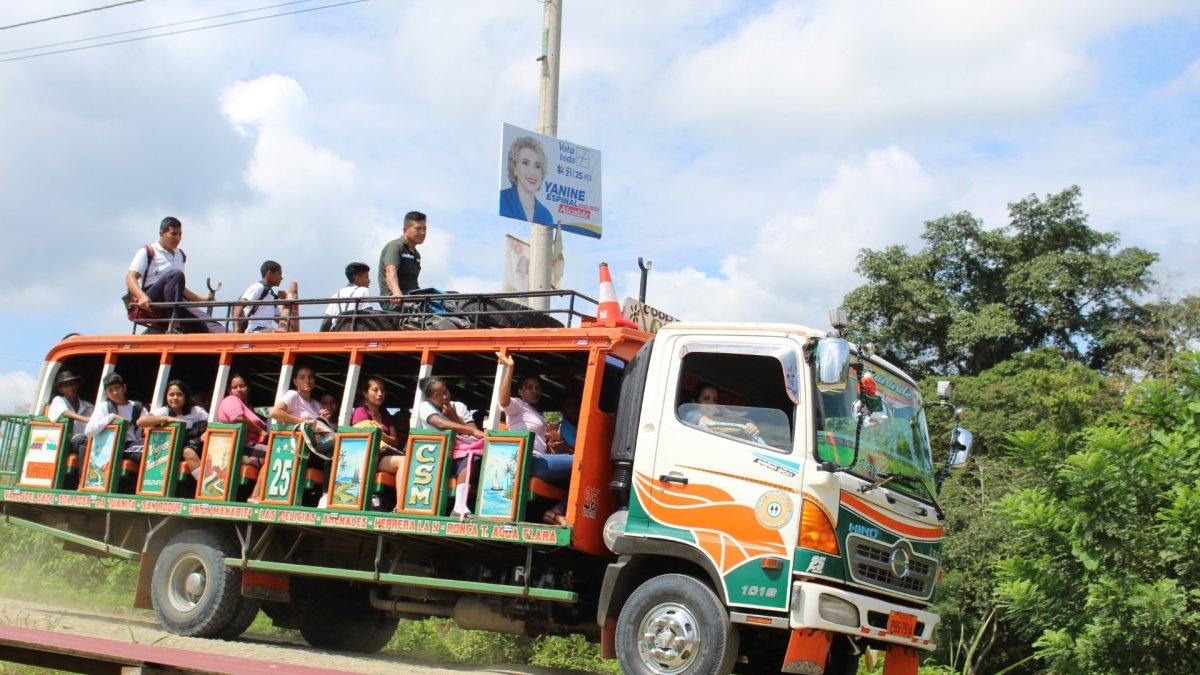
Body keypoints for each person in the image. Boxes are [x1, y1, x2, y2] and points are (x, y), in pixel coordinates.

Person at [496, 352, 572, 526]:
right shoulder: (517, 405)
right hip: (529, 461)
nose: (535, 391)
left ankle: (556, 512)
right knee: (581, 464)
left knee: (580, 474)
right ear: (520, 391)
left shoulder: (537, 414)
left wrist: (555, 439)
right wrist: (509, 368)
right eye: (529, 387)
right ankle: (556, 511)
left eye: (538, 388)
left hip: (539, 459)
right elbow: (503, 399)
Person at [125, 216, 224, 333]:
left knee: (205, 323)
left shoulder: (180, 255)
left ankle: (236, 339)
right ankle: (174, 324)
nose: (178, 238)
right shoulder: (148, 251)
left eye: (180, 234)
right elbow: (130, 277)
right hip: (153, 296)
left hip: (174, 300)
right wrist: (141, 296)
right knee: (175, 274)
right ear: (162, 233)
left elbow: (178, 286)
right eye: (174, 234)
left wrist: (200, 299)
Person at [417, 377, 485, 519]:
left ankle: (460, 506)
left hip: (462, 453)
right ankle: (458, 506)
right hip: (436, 457)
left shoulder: (458, 407)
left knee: (471, 456)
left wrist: (454, 417)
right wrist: (471, 431)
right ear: (429, 398)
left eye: (445, 391)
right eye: (438, 395)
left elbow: (474, 431)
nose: (445, 397)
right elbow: (441, 424)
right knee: (468, 456)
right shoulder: (425, 407)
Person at [270, 366, 335, 505]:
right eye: (302, 377)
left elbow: (318, 430)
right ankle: (326, 495)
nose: (307, 380)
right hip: (298, 450)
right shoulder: (293, 396)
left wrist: (322, 419)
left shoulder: (316, 404)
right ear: (295, 381)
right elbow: (274, 412)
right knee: (333, 448)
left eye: (310, 377)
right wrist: (302, 422)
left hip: (315, 447)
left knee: (338, 447)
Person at [75, 373, 146, 486]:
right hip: (112, 447)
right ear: (106, 394)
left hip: (133, 445)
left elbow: (141, 431)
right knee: (148, 448)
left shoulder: (138, 408)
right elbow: (89, 431)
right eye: (110, 390)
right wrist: (111, 417)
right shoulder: (104, 407)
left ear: (124, 388)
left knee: (152, 446)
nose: (115, 393)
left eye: (117, 388)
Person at [138, 379, 208, 480]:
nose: (175, 398)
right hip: (173, 450)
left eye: (179, 394)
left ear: (185, 396)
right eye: (171, 395)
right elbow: (141, 422)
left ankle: (208, 488)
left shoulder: (195, 410)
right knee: (186, 452)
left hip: (196, 445)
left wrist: (206, 433)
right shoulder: (164, 411)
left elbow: (213, 423)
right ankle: (205, 485)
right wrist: (167, 418)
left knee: (189, 451)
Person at [216, 372, 270, 502]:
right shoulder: (231, 400)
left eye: (242, 386)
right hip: (239, 448)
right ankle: (255, 495)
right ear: (229, 391)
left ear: (248, 388)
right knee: (274, 455)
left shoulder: (249, 407)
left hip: (252, 446)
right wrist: (260, 431)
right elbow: (237, 419)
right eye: (234, 387)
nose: (238, 390)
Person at [351, 376, 407, 476]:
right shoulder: (361, 411)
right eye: (375, 390)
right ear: (365, 394)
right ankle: (402, 493)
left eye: (382, 390)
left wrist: (383, 436)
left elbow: (395, 442)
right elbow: (366, 439)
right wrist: (382, 437)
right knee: (404, 461)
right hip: (371, 457)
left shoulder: (385, 414)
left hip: (388, 453)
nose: (380, 394)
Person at [499, 136, 555, 226]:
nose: (532, 172)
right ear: (514, 168)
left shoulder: (546, 215)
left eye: (537, 166)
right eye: (525, 163)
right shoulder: (503, 200)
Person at [378, 211, 427, 311]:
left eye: (424, 229)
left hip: (413, 297)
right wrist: (396, 293)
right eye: (417, 229)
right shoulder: (395, 246)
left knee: (451, 297)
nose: (422, 233)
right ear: (405, 230)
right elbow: (390, 271)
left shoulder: (416, 254)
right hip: (395, 301)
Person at [682, 383, 759, 438]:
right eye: (706, 398)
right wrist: (744, 429)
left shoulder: (720, 417)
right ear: (695, 401)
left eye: (715, 400)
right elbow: (715, 427)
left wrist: (750, 427)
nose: (711, 403)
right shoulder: (691, 414)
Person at [232, 260, 284, 333]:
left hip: (267, 330)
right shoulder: (258, 287)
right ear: (269, 274)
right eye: (279, 274)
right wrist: (237, 330)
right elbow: (239, 305)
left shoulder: (271, 294)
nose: (281, 278)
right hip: (256, 330)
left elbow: (279, 319)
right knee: (276, 334)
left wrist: (285, 300)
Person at [47, 370, 95, 448]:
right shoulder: (58, 400)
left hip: (85, 440)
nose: (70, 387)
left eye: (72, 384)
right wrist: (84, 418)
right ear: (61, 390)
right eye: (66, 385)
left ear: (77, 386)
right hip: (65, 442)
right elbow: (65, 412)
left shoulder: (88, 406)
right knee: (82, 440)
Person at [322, 262, 372, 331]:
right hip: (355, 332)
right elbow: (370, 315)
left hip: (337, 333)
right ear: (357, 279)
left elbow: (326, 323)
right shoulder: (363, 290)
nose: (369, 281)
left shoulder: (336, 295)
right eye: (367, 277)